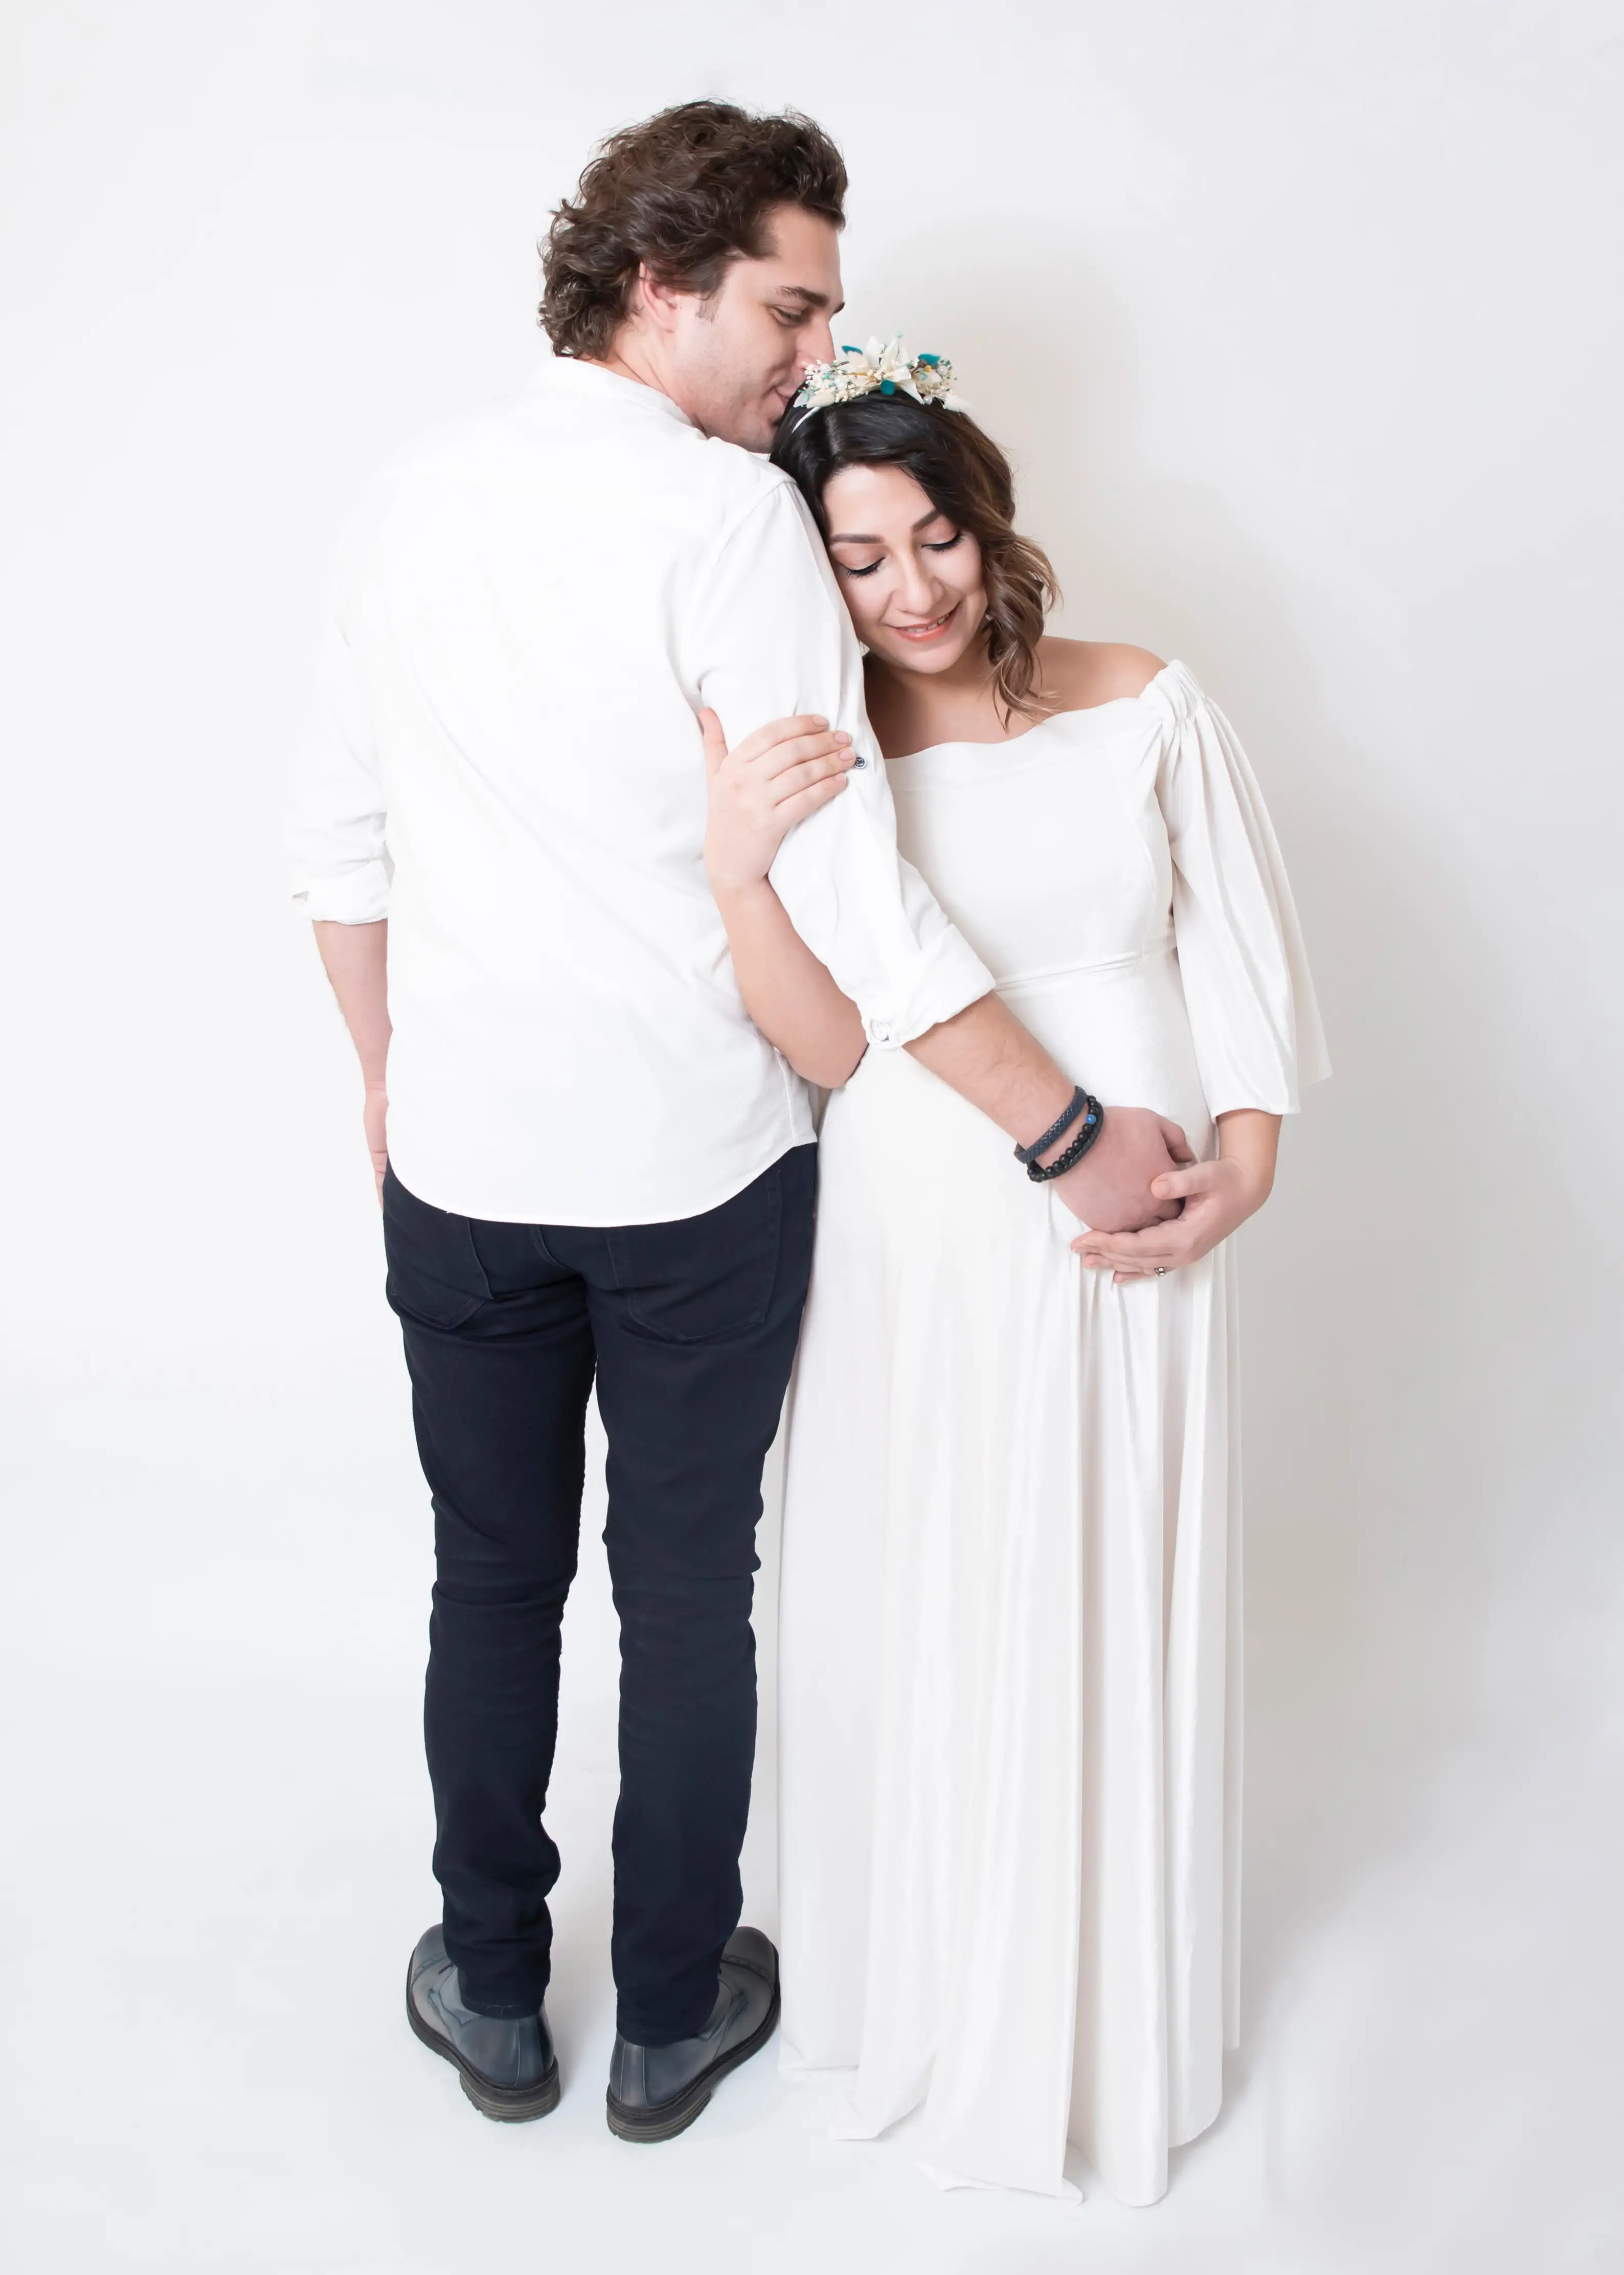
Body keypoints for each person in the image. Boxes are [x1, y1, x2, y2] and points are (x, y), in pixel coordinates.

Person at [287, 107, 1184, 2143]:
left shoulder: (407, 498)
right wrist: (1065, 1132)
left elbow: (335, 850)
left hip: (462, 1163)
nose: (813, 352)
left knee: (488, 1578)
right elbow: (852, 890)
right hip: (696, 1170)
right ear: (660, 284)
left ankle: (491, 1989)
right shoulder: (726, 522)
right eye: (790, 308)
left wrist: (384, 1075)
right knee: (687, 1590)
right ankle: (671, 2014)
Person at [700, 340, 1328, 2202]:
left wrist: (1244, 1178)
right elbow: (830, 1043)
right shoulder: (828, 766)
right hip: (924, 1218)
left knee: (1108, 1570)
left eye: (935, 538)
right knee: (935, 1565)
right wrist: (739, 873)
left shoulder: (1141, 699)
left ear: (988, 522)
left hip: (1142, 1214)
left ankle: (1109, 2016)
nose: (909, 590)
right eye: (857, 561)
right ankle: (939, 1985)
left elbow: (1240, 958)